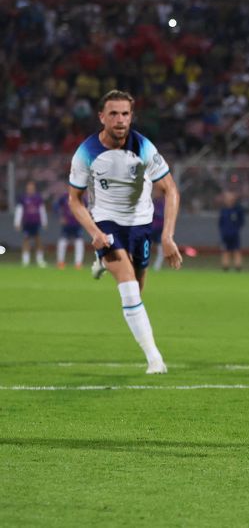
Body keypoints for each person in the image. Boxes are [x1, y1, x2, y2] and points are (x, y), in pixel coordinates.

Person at [68, 90, 183, 374]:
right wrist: (94, 231)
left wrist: (167, 236)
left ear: (131, 116)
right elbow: (74, 199)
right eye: (114, 114)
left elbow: (170, 189)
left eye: (125, 114)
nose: (120, 120)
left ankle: (101, 264)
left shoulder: (144, 147)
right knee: (130, 290)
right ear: (102, 117)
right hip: (106, 223)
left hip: (141, 224)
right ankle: (155, 359)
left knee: (138, 286)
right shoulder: (86, 152)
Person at [14, 181, 48, 268]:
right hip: (27, 223)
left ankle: (40, 260)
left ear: (34, 189)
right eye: (29, 188)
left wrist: (44, 222)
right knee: (26, 240)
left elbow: (42, 210)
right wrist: (17, 222)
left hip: (36, 223)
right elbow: (19, 211)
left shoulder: (38, 198)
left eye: (32, 188)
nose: (30, 190)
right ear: (26, 189)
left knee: (38, 240)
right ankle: (26, 260)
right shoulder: (23, 198)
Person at [54, 189, 85, 269]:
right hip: (67, 224)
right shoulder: (64, 197)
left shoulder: (80, 197)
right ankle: (60, 262)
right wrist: (60, 216)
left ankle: (78, 263)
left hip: (77, 224)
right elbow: (56, 206)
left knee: (79, 242)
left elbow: (87, 207)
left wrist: (83, 218)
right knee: (62, 242)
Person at [218, 190, 246, 272]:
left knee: (236, 250)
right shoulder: (223, 210)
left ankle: (238, 266)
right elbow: (220, 223)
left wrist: (236, 229)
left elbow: (241, 221)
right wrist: (223, 231)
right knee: (226, 250)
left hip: (235, 234)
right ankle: (225, 266)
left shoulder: (238, 210)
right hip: (225, 234)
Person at [150, 195, 166, 271]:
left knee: (160, 249)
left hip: (160, 229)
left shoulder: (165, 203)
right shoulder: (153, 202)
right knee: (145, 246)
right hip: (152, 228)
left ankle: (157, 267)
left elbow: (163, 214)